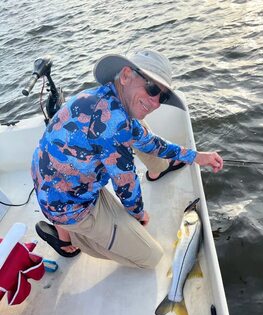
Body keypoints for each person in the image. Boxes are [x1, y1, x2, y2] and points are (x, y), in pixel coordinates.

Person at [31, 49, 223, 269]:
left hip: (55, 180)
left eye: (163, 96)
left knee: (140, 129)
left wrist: (196, 156)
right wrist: (138, 214)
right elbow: (126, 185)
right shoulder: (115, 124)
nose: (156, 103)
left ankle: (65, 226)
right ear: (125, 76)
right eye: (152, 88)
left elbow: (149, 142)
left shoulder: (103, 97)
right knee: (150, 258)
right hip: (71, 205)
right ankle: (68, 239)